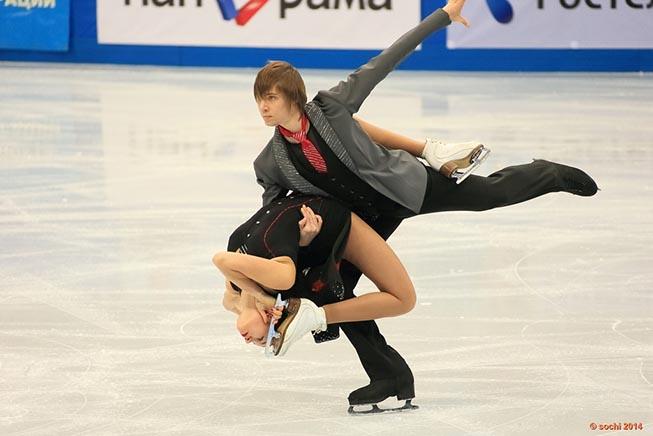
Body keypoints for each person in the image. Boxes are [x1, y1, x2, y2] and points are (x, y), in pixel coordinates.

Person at [250, 0, 598, 409]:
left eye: (270, 97)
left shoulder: (332, 106)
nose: (263, 106)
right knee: (333, 290)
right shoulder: (270, 161)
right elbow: (275, 218)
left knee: (489, 196)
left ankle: (547, 173)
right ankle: (389, 377)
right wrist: (303, 238)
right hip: (364, 220)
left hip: (408, 186)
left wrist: (443, 16)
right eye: (259, 99)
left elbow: (386, 59)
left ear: (293, 96)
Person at [213, 194, 418, 407]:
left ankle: (390, 375)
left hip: (333, 215)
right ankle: (391, 376)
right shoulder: (249, 284)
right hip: (325, 224)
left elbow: (221, 261)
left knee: (402, 299)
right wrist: (301, 243)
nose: (252, 341)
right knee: (340, 298)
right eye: (264, 340)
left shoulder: (253, 286)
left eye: (263, 339)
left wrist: (261, 298)